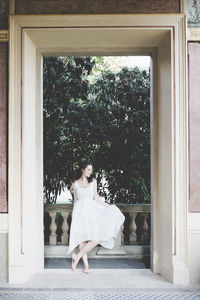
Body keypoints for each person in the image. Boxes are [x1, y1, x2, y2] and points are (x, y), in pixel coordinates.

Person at [66, 160, 125, 274]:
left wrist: (108, 206)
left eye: (91, 170)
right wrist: (74, 217)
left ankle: (76, 257)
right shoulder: (74, 182)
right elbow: (75, 200)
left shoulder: (93, 181)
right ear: (82, 170)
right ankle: (86, 266)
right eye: (88, 169)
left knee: (95, 239)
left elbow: (96, 198)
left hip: (90, 212)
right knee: (81, 240)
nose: (90, 172)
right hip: (79, 212)